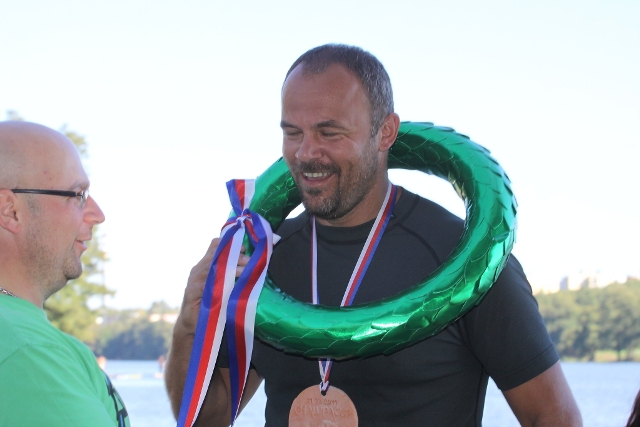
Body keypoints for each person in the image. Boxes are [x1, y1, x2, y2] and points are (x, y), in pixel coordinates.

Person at [165, 44, 583, 426]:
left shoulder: (462, 261)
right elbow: (206, 419)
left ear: (385, 132)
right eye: (292, 132)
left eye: (329, 132)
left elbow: (553, 417)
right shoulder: (264, 260)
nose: (306, 152)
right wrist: (188, 324)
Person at [0, 121, 129, 427]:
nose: (97, 214)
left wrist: (196, 331)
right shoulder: (27, 351)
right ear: (10, 210)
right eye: (78, 194)